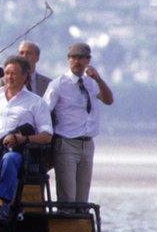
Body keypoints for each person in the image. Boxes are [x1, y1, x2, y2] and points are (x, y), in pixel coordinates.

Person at [0, 56, 53, 225]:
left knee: (9, 159)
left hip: (19, 152)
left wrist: (23, 139)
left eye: (13, 74)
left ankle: (5, 208)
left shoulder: (36, 102)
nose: (9, 77)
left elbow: (47, 136)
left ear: (25, 76)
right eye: (6, 73)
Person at [42, 42, 114, 205]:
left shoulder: (91, 83)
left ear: (88, 60)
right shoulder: (58, 85)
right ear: (68, 59)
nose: (77, 62)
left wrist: (98, 79)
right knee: (68, 196)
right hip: (66, 143)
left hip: (87, 144)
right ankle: (65, 225)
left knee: (82, 198)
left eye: (81, 58)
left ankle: (79, 226)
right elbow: (43, 111)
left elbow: (108, 100)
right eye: (74, 57)